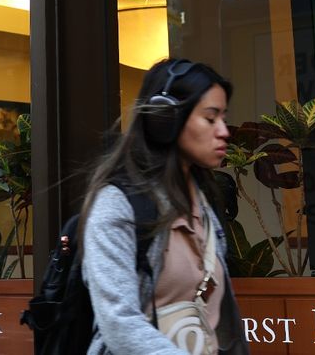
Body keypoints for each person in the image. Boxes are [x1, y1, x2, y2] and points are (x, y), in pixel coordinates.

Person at [79, 58, 248, 355]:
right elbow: (119, 322)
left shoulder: (202, 201)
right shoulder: (116, 205)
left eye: (223, 117)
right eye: (210, 118)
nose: (224, 131)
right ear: (164, 119)